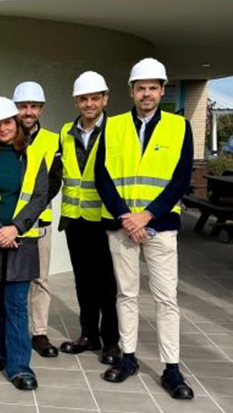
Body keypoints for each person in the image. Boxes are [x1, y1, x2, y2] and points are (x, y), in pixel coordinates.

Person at [95, 58, 194, 400]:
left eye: (153, 87)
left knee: (166, 299)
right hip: (122, 225)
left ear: (162, 90)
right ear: (131, 91)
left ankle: (171, 368)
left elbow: (181, 179)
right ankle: (128, 358)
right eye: (141, 88)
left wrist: (147, 215)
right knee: (126, 295)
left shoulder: (179, 127)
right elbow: (102, 177)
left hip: (160, 226)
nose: (147, 93)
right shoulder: (114, 126)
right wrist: (126, 216)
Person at [0, 97, 48, 391]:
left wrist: (14, 228)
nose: (3, 128)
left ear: (17, 124)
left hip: (22, 239)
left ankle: (19, 367)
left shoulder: (35, 155)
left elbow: (40, 196)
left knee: (15, 303)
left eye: (7, 123)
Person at [57, 72, 120, 365]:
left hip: (105, 220)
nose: (89, 104)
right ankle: (88, 335)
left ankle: (111, 342)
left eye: (95, 98)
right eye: (84, 98)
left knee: (107, 283)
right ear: (76, 101)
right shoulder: (65, 132)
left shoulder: (117, 130)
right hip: (75, 219)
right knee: (83, 281)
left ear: (105, 99)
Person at [12, 81, 62, 358]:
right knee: (10, 279)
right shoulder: (5, 134)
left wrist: (30, 212)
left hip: (39, 223)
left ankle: (39, 332)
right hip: (8, 224)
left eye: (33, 106)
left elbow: (54, 181)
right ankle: (12, 329)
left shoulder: (53, 140)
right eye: (23, 106)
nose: (28, 111)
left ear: (41, 109)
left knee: (40, 279)